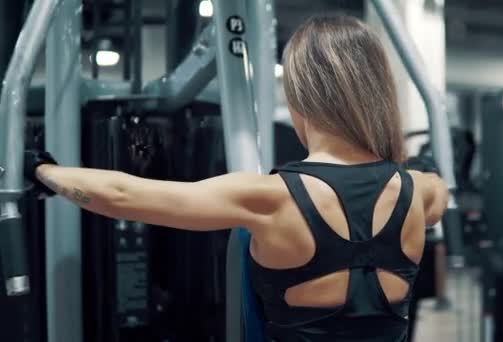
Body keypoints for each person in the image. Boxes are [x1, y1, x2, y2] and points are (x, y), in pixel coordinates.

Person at [25, 14, 448, 342]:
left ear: (302, 98)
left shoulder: (270, 199)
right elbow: (436, 190)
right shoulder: (424, 193)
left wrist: (41, 169)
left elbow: (119, 194)